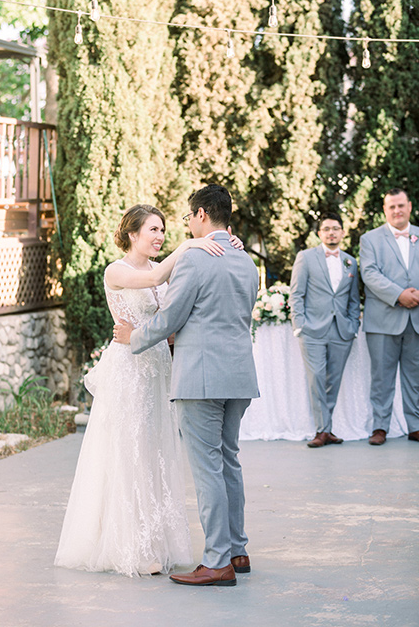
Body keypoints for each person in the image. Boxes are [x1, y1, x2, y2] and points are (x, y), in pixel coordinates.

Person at [55, 203, 238, 577]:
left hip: (159, 368)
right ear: (132, 233)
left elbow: (171, 313)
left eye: (162, 230)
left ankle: (157, 540)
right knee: (130, 452)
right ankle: (131, 548)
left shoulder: (161, 270)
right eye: (152, 230)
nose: (159, 236)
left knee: (156, 451)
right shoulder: (116, 270)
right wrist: (192, 245)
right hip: (129, 370)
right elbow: (153, 285)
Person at [114, 184, 259, 587]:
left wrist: (135, 338)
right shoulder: (246, 261)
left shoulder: (196, 260)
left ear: (199, 215)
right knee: (229, 459)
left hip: (201, 377)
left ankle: (216, 562)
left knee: (208, 466)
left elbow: (171, 317)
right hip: (240, 374)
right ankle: (237, 550)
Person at [289, 212, 361, 448]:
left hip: (342, 331)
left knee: (334, 380)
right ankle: (321, 430)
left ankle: (327, 429)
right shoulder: (306, 257)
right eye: (326, 229)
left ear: (342, 232)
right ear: (319, 233)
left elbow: (353, 299)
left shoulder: (351, 261)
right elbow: (296, 294)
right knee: (317, 379)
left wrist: (353, 326)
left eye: (335, 228)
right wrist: (300, 326)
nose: (331, 232)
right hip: (313, 331)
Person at [360, 188, 419, 445]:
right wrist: (399, 294)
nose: (397, 211)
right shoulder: (369, 239)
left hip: (416, 318)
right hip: (383, 319)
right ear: (385, 210)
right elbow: (370, 274)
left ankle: (415, 425)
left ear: (409, 206)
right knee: (381, 378)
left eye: (401, 206)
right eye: (391, 206)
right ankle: (380, 427)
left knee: (415, 377)